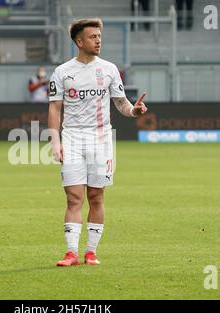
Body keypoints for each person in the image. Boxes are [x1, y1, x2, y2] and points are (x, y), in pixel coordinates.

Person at [48, 18, 147, 267]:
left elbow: (121, 103)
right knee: (73, 198)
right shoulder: (62, 72)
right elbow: (55, 108)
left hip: (101, 138)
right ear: (79, 41)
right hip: (72, 137)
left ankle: (91, 252)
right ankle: (71, 253)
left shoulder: (110, 69)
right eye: (93, 37)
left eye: (99, 36)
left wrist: (134, 111)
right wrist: (54, 140)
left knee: (96, 196)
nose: (98, 40)